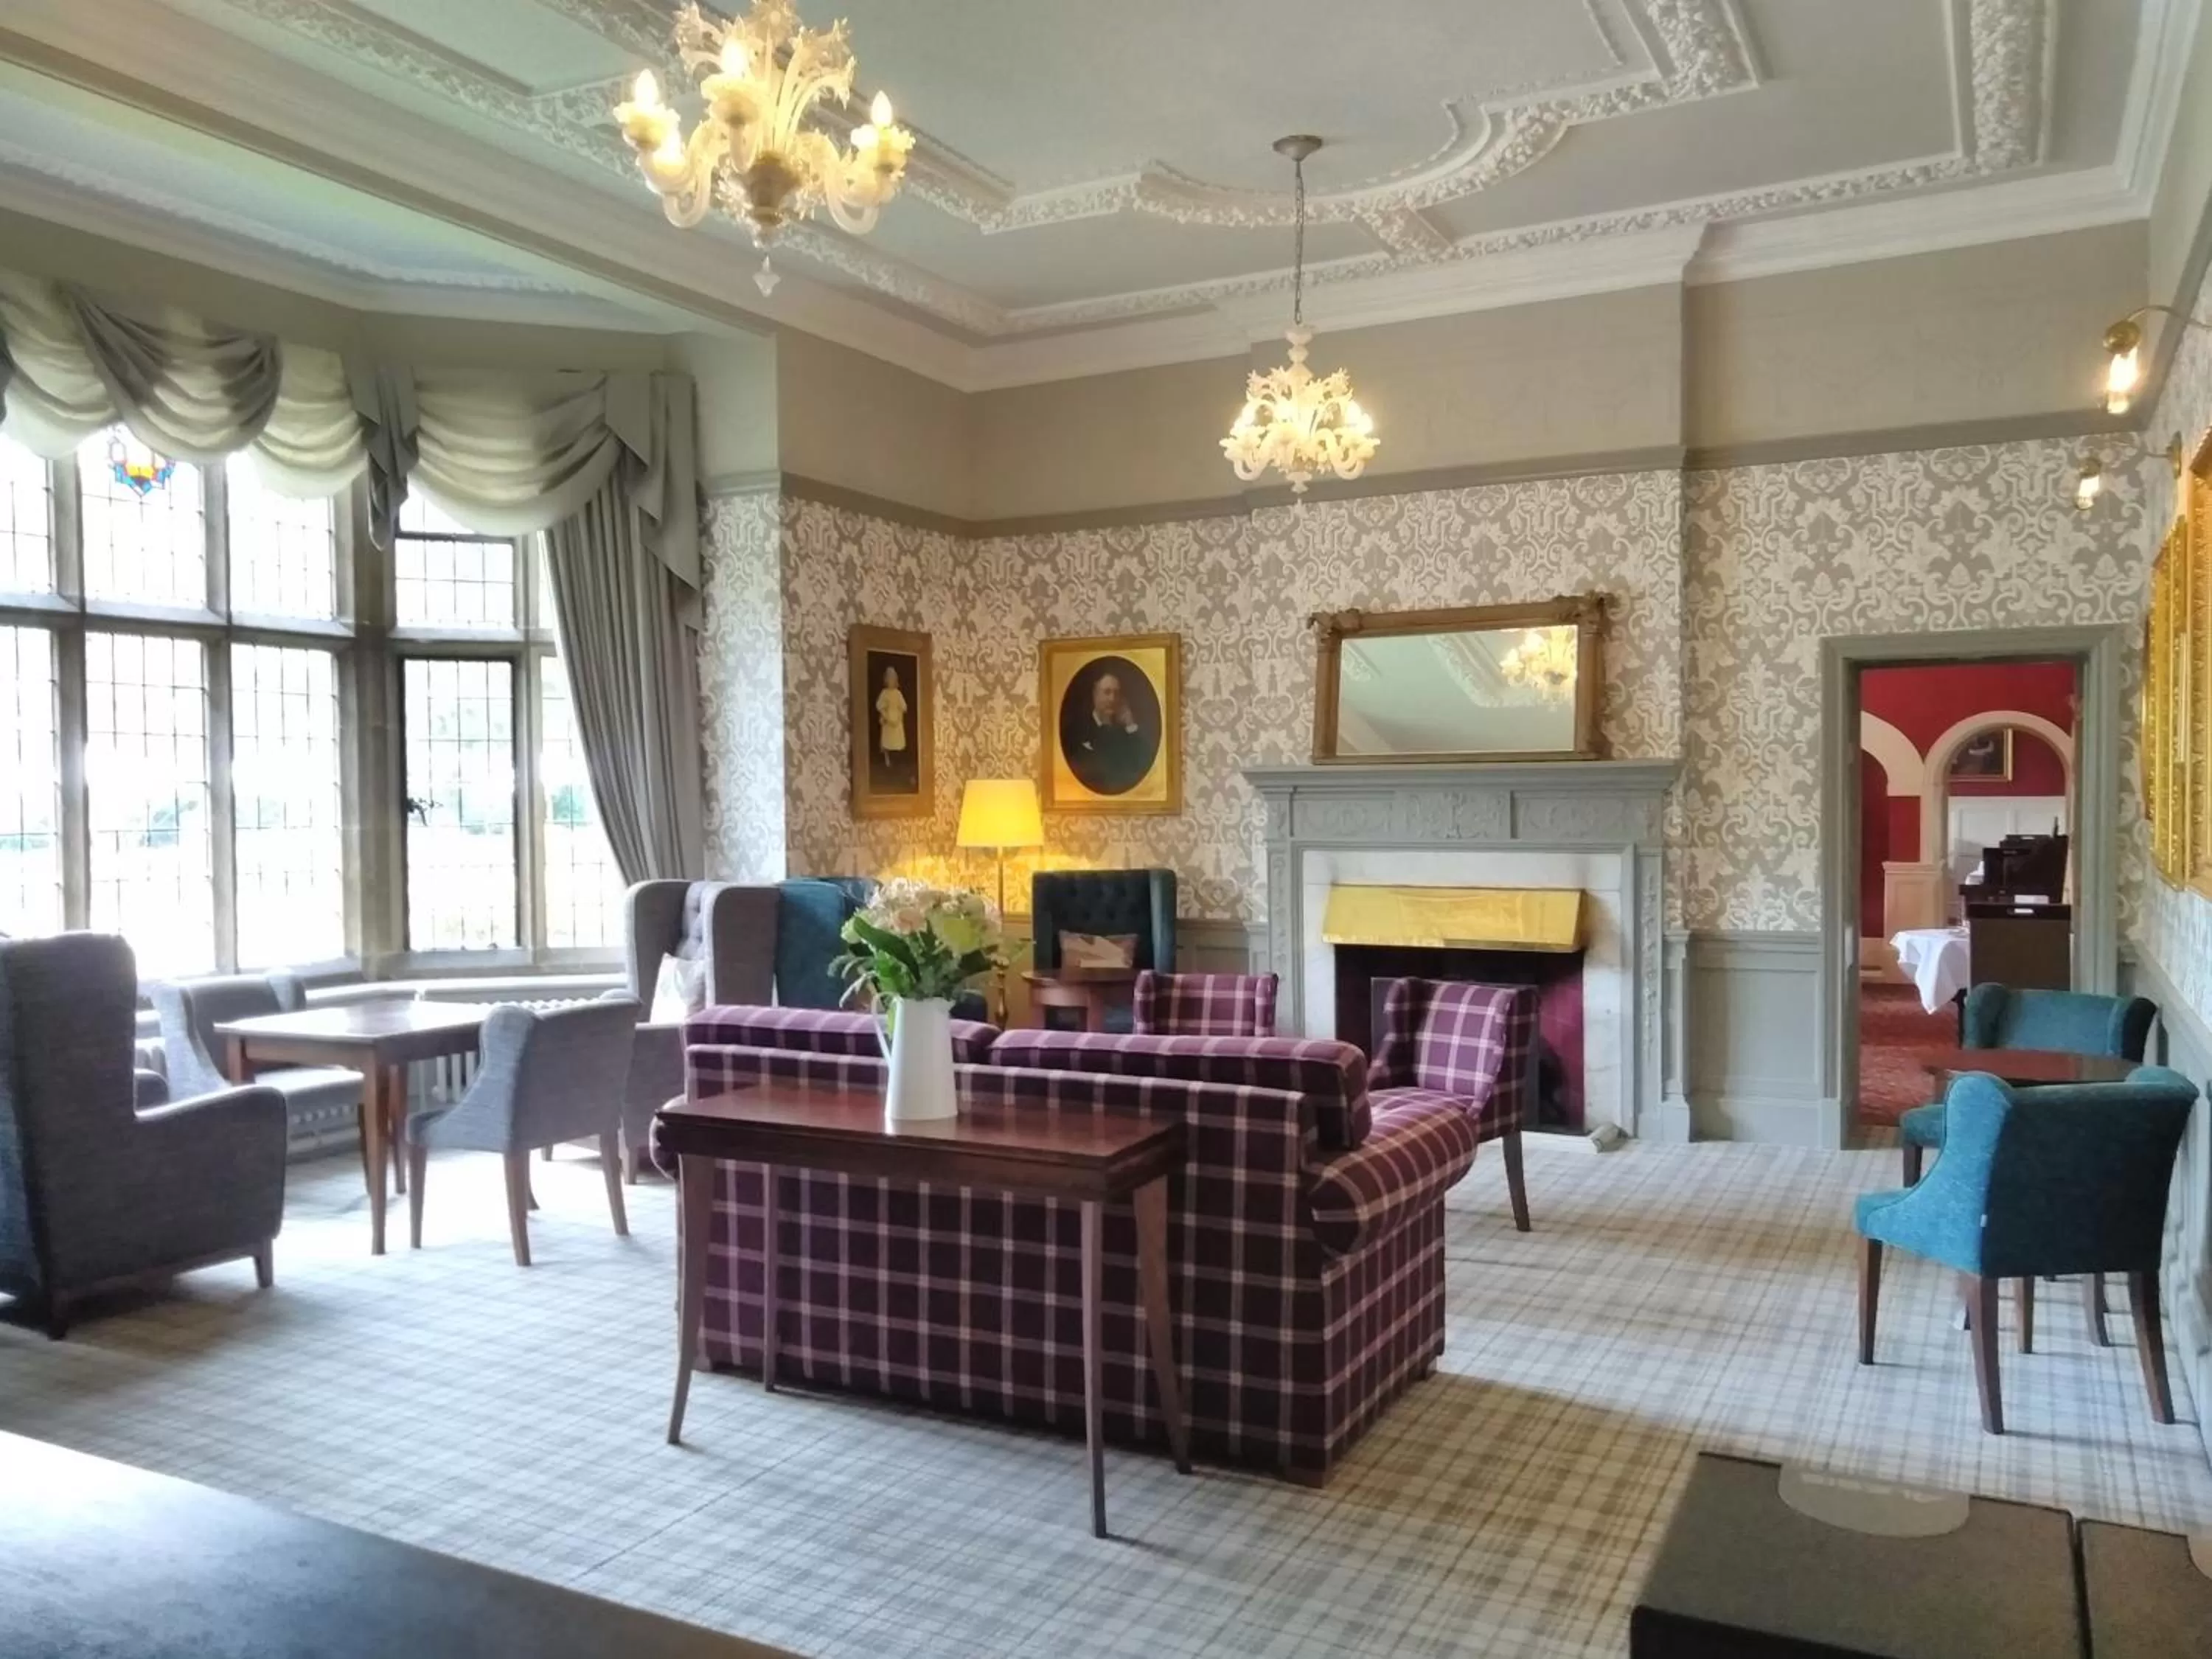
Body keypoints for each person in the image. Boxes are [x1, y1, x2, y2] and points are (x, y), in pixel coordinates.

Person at [1065, 669, 1154, 795]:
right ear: (1095, 694)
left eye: (1116, 693)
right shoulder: (1077, 729)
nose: (1112, 699)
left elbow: (1143, 764)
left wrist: (1130, 725)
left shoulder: (1126, 732)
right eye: (1107, 692)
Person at [875, 663, 908, 772]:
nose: (891, 682)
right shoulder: (884, 693)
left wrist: (899, 714)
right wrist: (884, 714)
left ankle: (897, 760)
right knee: (887, 741)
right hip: (888, 718)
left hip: (897, 719)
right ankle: (887, 759)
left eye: (893, 679)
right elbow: (879, 705)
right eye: (889, 679)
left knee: (897, 740)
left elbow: (904, 706)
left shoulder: (898, 694)